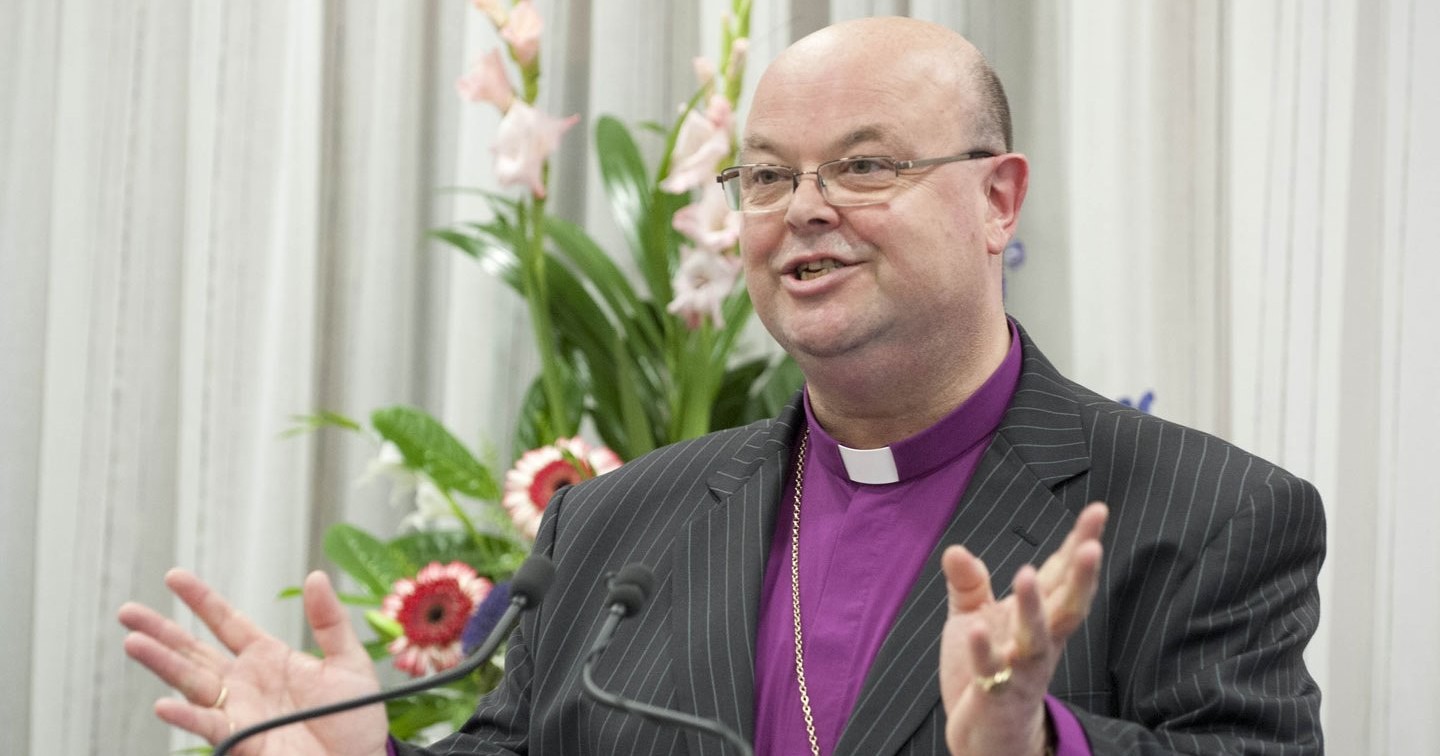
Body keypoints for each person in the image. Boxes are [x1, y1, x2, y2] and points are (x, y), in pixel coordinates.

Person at [118, 16, 1325, 756]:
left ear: (997, 199)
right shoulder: (615, 524)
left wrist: (1033, 741)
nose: (802, 209)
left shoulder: (1207, 510)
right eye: (763, 177)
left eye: (864, 166)